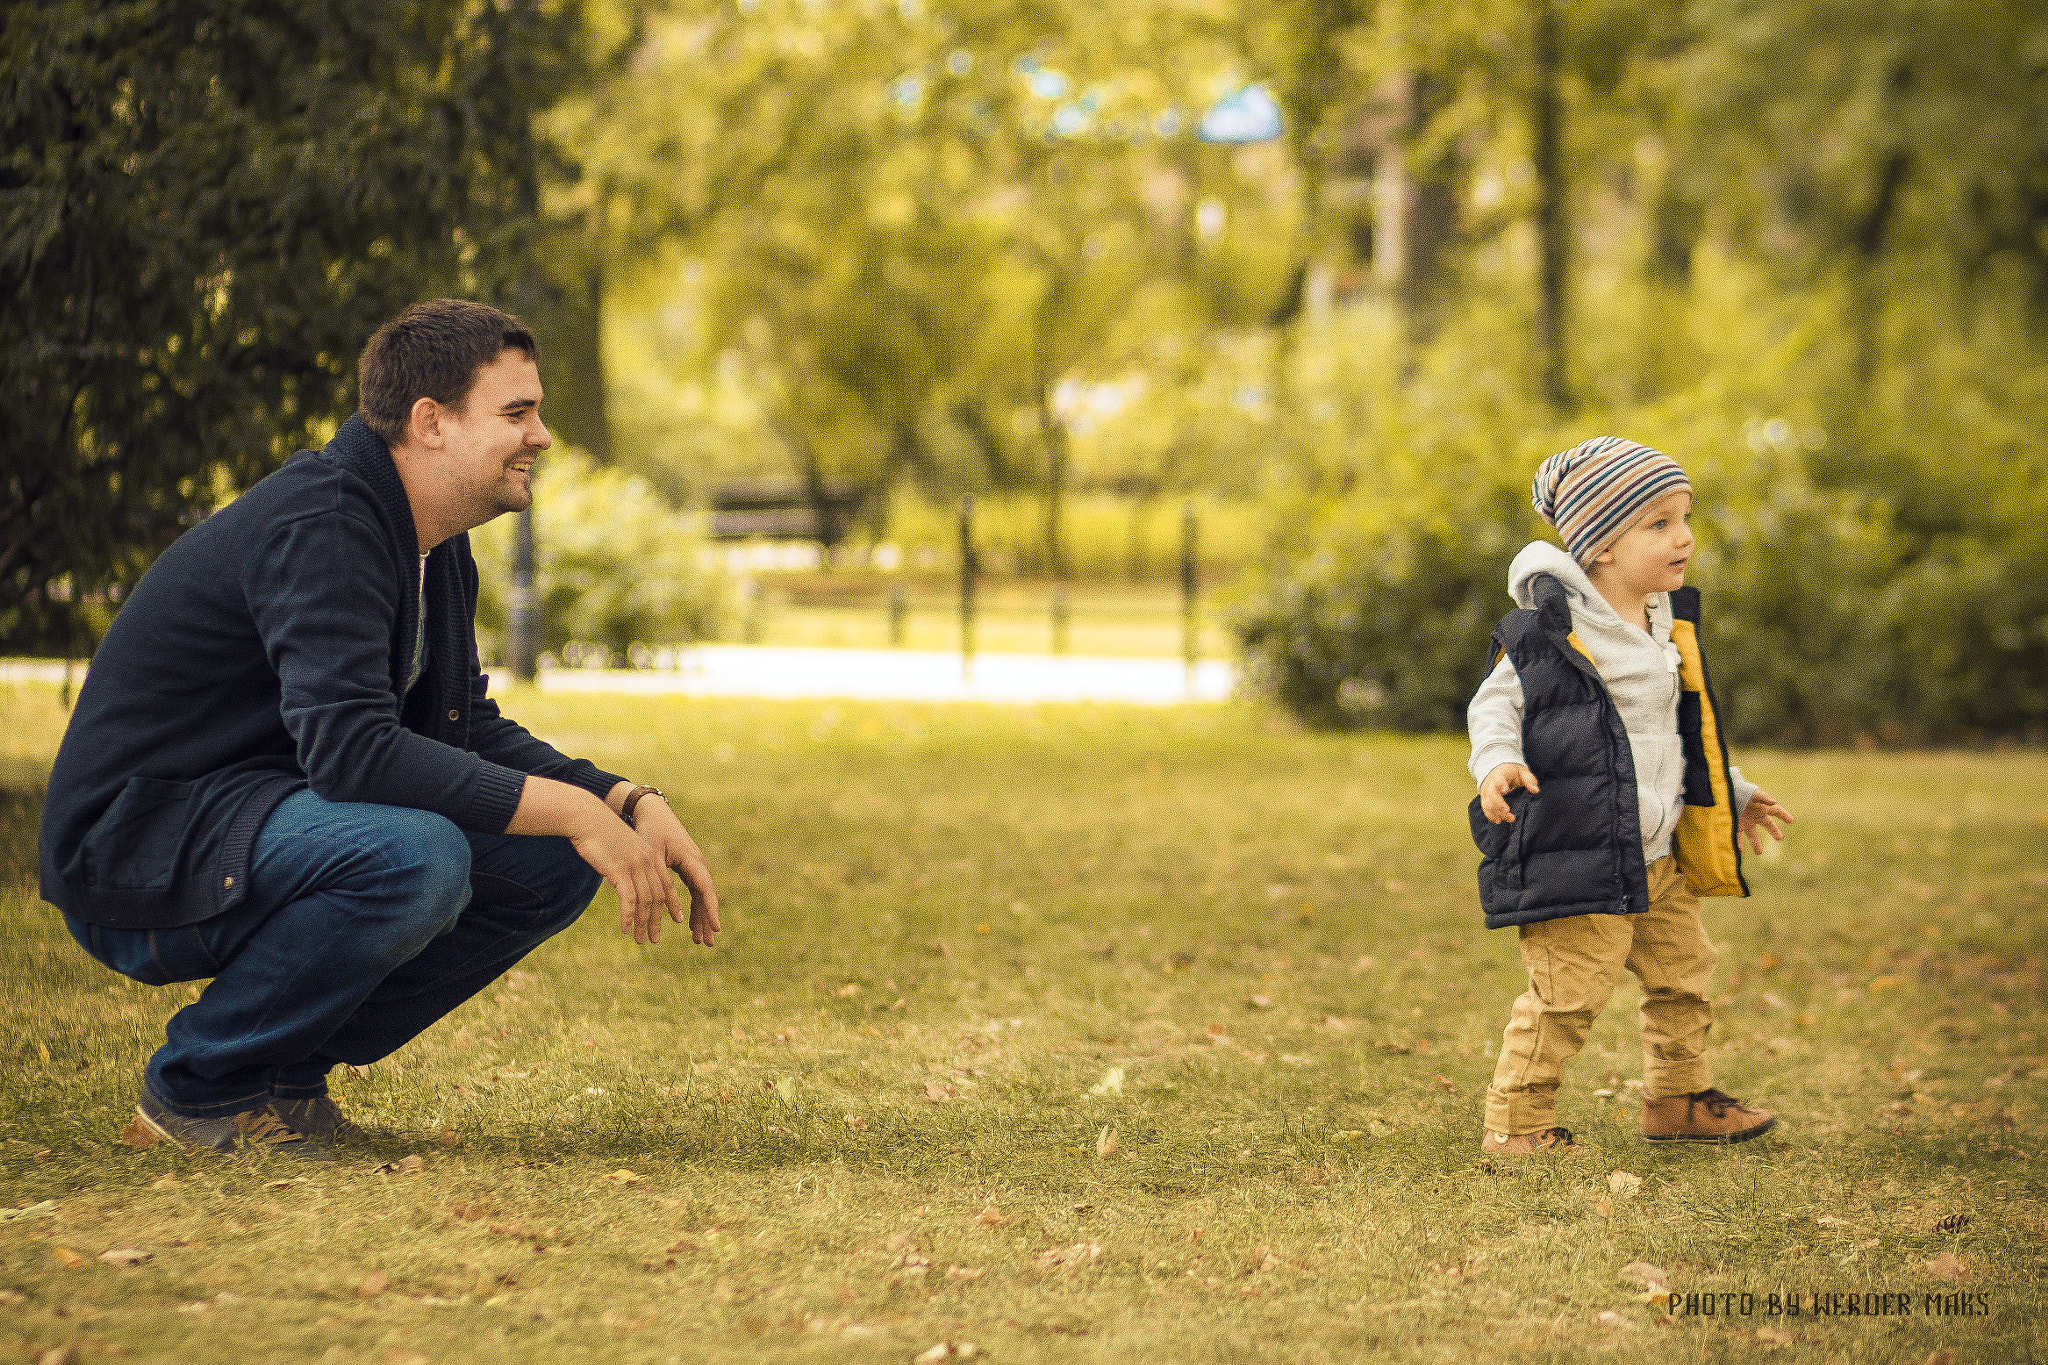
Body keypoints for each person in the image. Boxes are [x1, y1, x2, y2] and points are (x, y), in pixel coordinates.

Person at [38, 299, 720, 1161]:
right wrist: (580, 810)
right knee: (417, 857)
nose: (542, 434)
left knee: (553, 859)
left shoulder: (431, 541)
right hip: (133, 846)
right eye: (516, 412)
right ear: (429, 422)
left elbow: (462, 729)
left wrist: (620, 800)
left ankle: (278, 1076)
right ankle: (197, 1087)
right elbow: (353, 753)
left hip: (245, 822)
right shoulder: (326, 521)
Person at [1466, 436, 1792, 1154]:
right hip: (1580, 848)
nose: (1685, 537)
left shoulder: (1658, 626)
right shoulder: (1552, 632)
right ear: (1602, 546)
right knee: (1568, 995)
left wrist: (1731, 791)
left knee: (1685, 973)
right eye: (1659, 523)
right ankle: (1516, 1123)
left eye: (1685, 517)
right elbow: (1494, 705)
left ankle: (1676, 1099)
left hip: (1655, 852)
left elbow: (1669, 736)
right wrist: (1495, 762)